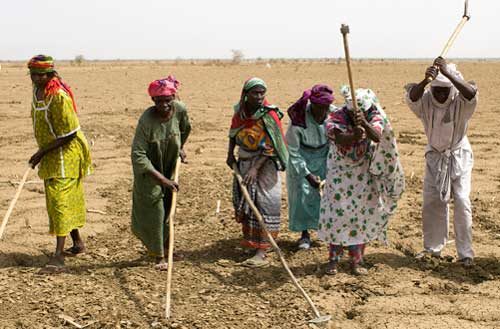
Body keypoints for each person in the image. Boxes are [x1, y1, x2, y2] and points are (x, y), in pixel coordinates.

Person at [318, 86, 404, 275]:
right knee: (337, 213)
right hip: (339, 171)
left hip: (363, 171)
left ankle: (357, 261)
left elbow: (377, 136)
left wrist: (364, 123)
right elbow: (340, 139)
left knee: (360, 213)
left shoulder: (373, 114)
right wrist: (354, 136)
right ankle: (333, 260)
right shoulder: (336, 117)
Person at [405, 57, 477, 267]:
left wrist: (448, 73)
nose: (441, 94)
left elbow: (472, 94)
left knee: (462, 201)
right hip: (435, 158)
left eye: (445, 90)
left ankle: (466, 254)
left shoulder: (460, 101)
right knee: (433, 202)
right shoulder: (426, 100)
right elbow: (412, 96)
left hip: (458, 156)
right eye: (437, 90)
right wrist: (426, 80)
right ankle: (433, 249)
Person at [27, 55, 93, 273]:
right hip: (52, 153)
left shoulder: (58, 96)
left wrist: (41, 152)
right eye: (33, 74)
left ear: (50, 74)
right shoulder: (38, 92)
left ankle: (58, 256)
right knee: (62, 200)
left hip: (67, 153)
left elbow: (70, 133)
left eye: (40, 74)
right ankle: (78, 243)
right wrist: (43, 152)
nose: (36, 78)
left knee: (59, 201)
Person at [226, 77, 288, 267]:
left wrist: (255, 168)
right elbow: (233, 133)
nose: (259, 97)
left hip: (265, 164)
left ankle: (262, 251)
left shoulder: (269, 115)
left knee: (266, 202)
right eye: (255, 93)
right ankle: (253, 244)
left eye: (262, 93)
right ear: (246, 94)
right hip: (244, 161)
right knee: (249, 201)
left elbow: (273, 146)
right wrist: (230, 154)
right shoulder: (240, 113)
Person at [131, 76, 191, 270]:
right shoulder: (146, 120)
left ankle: (167, 247)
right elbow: (138, 154)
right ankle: (158, 255)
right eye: (159, 101)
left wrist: (180, 147)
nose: (164, 105)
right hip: (150, 172)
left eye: (168, 100)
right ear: (152, 101)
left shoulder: (180, 110)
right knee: (155, 210)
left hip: (169, 166)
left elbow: (185, 129)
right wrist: (162, 179)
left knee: (168, 208)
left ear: (174, 97)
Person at [286, 84, 335, 250]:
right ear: (312, 105)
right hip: (302, 158)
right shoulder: (299, 120)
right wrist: (307, 175)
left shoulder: (333, 114)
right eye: (320, 108)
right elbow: (292, 151)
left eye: (326, 108)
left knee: (327, 196)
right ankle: (304, 234)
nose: (323, 112)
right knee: (302, 196)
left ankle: (327, 232)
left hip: (325, 157)